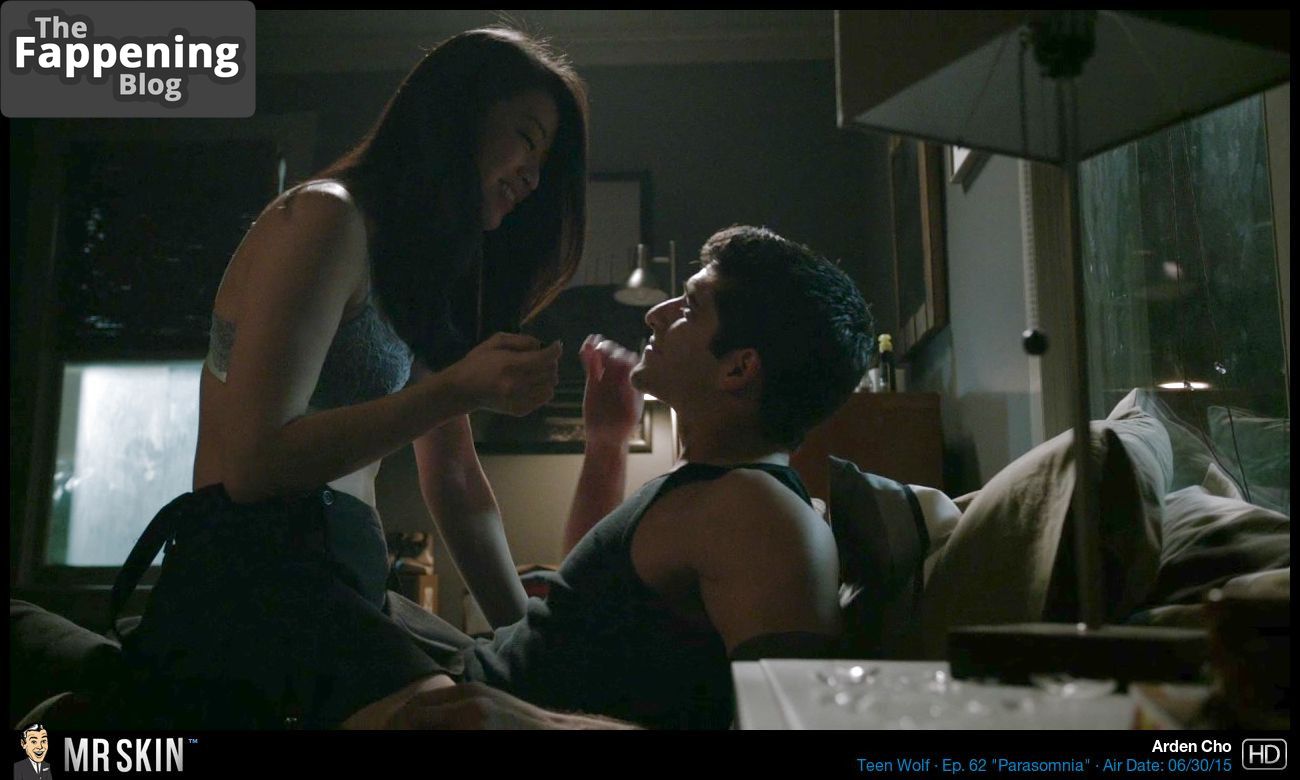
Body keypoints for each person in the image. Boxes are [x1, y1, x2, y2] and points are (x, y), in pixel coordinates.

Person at [109, 27, 591, 727]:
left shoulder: (415, 273)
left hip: (349, 580)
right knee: (476, 722)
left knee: (528, 701)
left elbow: (456, 482)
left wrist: (528, 644)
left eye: (544, 162)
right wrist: (456, 388)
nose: (534, 178)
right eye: (526, 137)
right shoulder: (325, 218)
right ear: (459, 113)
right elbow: (254, 465)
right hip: (255, 574)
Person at [343, 225, 875, 729]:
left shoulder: (763, 516)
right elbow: (587, 617)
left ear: (738, 368)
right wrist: (606, 440)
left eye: (689, 307)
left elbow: (794, 724)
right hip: (473, 670)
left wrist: (541, 726)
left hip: (474, 698)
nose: (657, 315)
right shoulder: (716, 487)